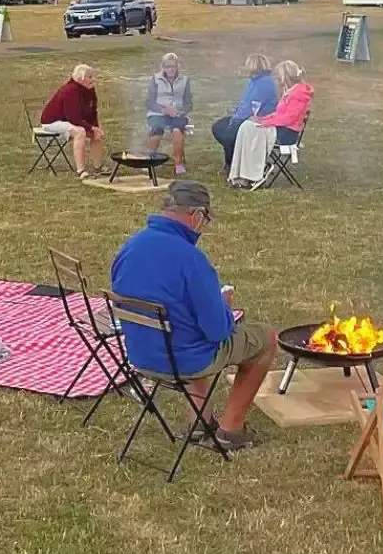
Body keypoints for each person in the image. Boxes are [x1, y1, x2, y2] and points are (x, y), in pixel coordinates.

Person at [109, 180, 274, 452]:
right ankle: (231, 431)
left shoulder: (129, 248)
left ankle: (200, 424)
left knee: (190, 330)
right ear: (196, 215)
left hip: (141, 355)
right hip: (183, 359)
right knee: (265, 338)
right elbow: (219, 332)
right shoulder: (192, 260)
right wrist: (223, 304)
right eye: (205, 220)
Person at [226, 60, 313, 189]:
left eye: (278, 77)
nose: (276, 80)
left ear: (284, 76)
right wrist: (262, 119)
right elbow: (278, 114)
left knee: (250, 129)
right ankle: (243, 174)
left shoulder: (298, 94)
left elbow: (288, 118)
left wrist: (265, 123)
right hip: (281, 127)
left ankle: (254, 173)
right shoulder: (291, 91)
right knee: (246, 126)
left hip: (287, 133)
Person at [211, 54, 278, 171]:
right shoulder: (253, 81)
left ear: (253, 66)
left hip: (257, 121)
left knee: (228, 135)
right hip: (246, 117)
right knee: (218, 126)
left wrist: (236, 119)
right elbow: (245, 102)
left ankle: (232, 164)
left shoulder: (264, 83)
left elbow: (252, 106)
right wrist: (234, 112)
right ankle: (235, 159)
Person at [39, 64, 105, 178]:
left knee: (96, 133)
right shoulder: (70, 91)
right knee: (80, 132)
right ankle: (81, 171)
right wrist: (91, 128)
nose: (93, 79)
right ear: (81, 79)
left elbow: (93, 110)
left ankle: (98, 167)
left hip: (69, 121)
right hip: (52, 122)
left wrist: (95, 128)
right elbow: (74, 118)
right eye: (90, 77)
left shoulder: (89, 89)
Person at [144, 53, 194, 175]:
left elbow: (189, 103)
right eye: (168, 66)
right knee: (156, 130)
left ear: (177, 67)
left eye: (173, 66)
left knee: (177, 131)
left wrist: (179, 112)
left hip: (177, 114)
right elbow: (149, 102)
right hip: (158, 113)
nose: (171, 69)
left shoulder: (185, 80)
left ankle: (178, 163)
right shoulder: (155, 79)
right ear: (163, 67)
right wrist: (163, 110)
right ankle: (150, 159)